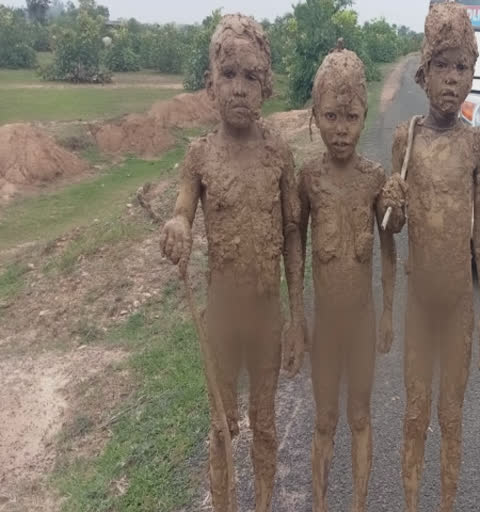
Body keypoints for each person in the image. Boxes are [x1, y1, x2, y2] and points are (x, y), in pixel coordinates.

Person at [159, 14, 305, 512]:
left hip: (267, 317)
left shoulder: (279, 154)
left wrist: (297, 320)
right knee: (222, 426)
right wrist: (178, 226)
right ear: (209, 84)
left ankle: (262, 503)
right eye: (229, 75)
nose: (239, 89)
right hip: (221, 318)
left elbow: (291, 235)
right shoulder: (199, 157)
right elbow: (182, 211)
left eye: (251, 77)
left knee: (264, 425)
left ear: (266, 84)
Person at [380, 3, 480, 510]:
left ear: (472, 75)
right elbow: (393, 225)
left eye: (462, 67)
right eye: (442, 67)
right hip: (420, 306)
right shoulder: (406, 138)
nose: (451, 80)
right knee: (414, 415)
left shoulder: (476, 145)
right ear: (423, 74)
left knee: (451, 417)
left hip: (457, 307)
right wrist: (391, 207)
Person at [298, 45, 397, 512]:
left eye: (352, 117)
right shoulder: (308, 179)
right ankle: (320, 503)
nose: (341, 130)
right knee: (323, 420)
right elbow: (294, 245)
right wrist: (295, 317)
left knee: (359, 416)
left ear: (363, 114)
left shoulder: (374, 179)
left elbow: (390, 240)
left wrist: (400, 207)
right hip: (325, 327)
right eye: (331, 116)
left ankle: (357, 503)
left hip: (360, 324)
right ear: (315, 115)